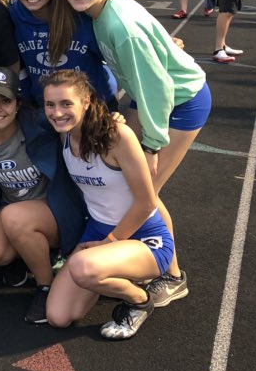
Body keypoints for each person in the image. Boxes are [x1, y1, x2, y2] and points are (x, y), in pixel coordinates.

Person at [62, 0, 211, 306]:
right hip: (152, 97)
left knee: (147, 190)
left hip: (180, 102)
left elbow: (158, 86)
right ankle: (128, 256)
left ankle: (171, 275)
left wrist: (152, 145)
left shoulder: (118, 26)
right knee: (135, 184)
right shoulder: (105, 8)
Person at [42, 70, 174, 339]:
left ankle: (138, 300)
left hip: (145, 238)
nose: (57, 113)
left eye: (66, 103)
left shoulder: (117, 136)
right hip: (99, 234)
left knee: (81, 267)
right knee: (59, 316)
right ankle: (110, 271)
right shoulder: (64, 134)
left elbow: (147, 202)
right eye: (50, 104)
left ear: (87, 101)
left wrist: (110, 241)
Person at [0, 67, 86, 324]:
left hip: (53, 210)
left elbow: (74, 117)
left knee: (13, 217)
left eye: (5, 101)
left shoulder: (39, 124)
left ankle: (45, 286)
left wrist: (114, 119)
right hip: (14, 210)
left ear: (18, 104)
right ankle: (30, 253)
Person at [10, 0, 117, 110]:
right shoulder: (13, 15)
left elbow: (116, 56)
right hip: (48, 107)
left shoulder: (80, 15)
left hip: (95, 104)